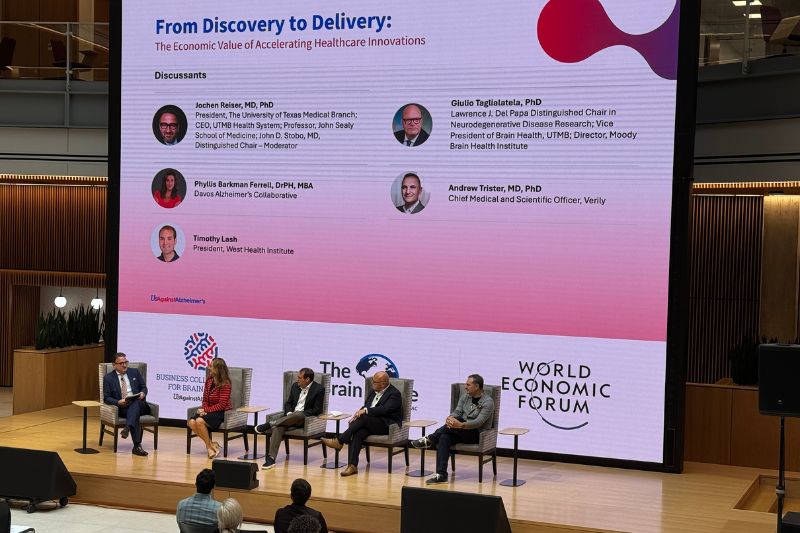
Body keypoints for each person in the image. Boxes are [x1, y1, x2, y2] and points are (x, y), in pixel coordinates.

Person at [411, 374, 494, 484]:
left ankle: (430, 439)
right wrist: (450, 418)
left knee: (458, 420)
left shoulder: (488, 402)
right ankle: (441, 475)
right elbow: (457, 412)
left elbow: (478, 422)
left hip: (477, 434)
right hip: (459, 431)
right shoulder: (465, 397)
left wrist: (460, 425)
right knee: (444, 437)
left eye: (468, 385)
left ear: (477, 386)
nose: (465, 387)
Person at [321, 371, 401, 477]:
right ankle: (352, 466)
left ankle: (340, 440)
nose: (372, 383)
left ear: (383, 383)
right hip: (370, 423)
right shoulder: (373, 391)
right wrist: (359, 412)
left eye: (374, 382)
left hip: (386, 426)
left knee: (363, 417)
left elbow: (385, 409)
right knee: (357, 433)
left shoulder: (394, 394)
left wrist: (365, 411)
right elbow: (366, 406)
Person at [255, 368, 324, 470]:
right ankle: (271, 459)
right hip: (289, 418)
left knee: (298, 414)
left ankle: (270, 424)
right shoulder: (295, 386)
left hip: (304, 420)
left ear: (307, 379)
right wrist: (289, 413)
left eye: (299, 378)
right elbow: (288, 403)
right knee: (278, 428)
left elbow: (317, 410)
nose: (297, 380)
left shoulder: (319, 389)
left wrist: (299, 414)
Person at [102, 352, 150, 456]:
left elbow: (144, 387)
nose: (124, 365)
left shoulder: (134, 372)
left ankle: (127, 428)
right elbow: (106, 398)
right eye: (121, 363)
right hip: (123, 407)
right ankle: (136, 446)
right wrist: (118, 402)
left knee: (135, 403)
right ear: (114, 365)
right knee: (134, 413)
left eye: (126, 362)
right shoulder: (108, 378)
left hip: (140, 404)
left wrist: (143, 393)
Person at [188, 358, 232, 459]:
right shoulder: (209, 380)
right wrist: (204, 409)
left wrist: (205, 410)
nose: (209, 368)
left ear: (217, 369)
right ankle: (211, 445)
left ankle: (209, 448)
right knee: (191, 422)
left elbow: (221, 405)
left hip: (221, 412)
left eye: (211, 366)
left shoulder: (226, 384)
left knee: (199, 421)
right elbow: (205, 398)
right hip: (209, 410)